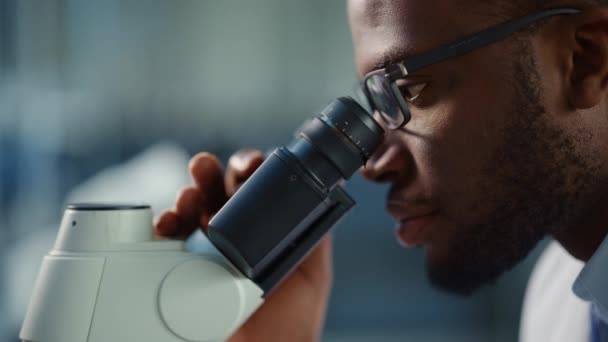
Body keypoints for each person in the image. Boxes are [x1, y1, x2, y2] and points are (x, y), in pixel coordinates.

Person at [155, 0, 608, 341]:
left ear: (586, 59)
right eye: (374, 101)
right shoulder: (561, 302)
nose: (371, 164)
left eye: (408, 91)